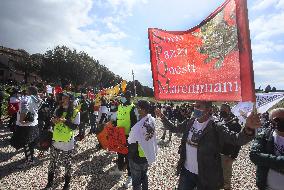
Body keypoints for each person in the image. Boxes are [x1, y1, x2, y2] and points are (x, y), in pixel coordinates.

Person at [155, 101, 260, 190]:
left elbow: (236, 139)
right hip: (187, 172)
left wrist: (248, 129)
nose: (195, 108)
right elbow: (174, 128)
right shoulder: (190, 122)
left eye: (199, 106)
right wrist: (162, 117)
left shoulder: (216, 126)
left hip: (205, 175)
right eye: (195, 106)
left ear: (209, 110)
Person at [44, 92, 80, 190]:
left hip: (67, 142)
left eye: (65, 98)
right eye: (62, 97)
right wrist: (52, 121)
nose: (62, 99)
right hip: (55, 140)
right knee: (52, 162)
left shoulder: (76, 112)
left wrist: (65, 121)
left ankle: (67, 184)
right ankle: (49, 183)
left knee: (67, 163)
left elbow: (75, 127)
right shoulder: (57, 109)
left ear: (71, 100)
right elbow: (52, 124)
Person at [250, 108, 284, 190]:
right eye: (277, 119)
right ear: (271, 122)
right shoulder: (264, 135)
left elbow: (260, 157)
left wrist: (268, 161)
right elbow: (254, 155)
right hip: (267, 187)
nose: (282, 122)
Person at [109, 90, 138, 188]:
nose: (122, 98)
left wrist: (132, 136)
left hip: (128, 136)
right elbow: (118, 119)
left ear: (128, 97)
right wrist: (114, 125)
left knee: (128, 156)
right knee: (120, 153)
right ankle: (120, 170)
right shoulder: (120, 106)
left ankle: (130, 176)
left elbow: (135, 123)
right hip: (119, 134)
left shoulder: (133, 108)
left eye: (123, 96)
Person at [128, 100, 158, 190]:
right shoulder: (152, 119)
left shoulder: (137, 127)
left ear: (143, 110)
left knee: (136, 181)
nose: (136, 109)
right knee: (144, 176)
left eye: (138, 108)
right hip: (148, 154)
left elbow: (130, 141)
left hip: (137, 157)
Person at [13, 86, 42, 168]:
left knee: (26, 144)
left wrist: (21, 120)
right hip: (34, 123)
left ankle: (29, 161)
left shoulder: (27, 98)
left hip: (25, 125)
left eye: (27, 90)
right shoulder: (38, 99)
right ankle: (30, 158)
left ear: (29, 91)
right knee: (31, 143)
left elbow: (24, 108)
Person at [218, 103, 242, 190]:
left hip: (226, 155)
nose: (222, 112)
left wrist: (233, 157)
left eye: (224, 110)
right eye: (221, 110)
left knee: (226, 179)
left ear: (229, 111)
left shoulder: (235, 124)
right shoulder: (220, 121)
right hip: (216, 153)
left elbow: (238, 143)